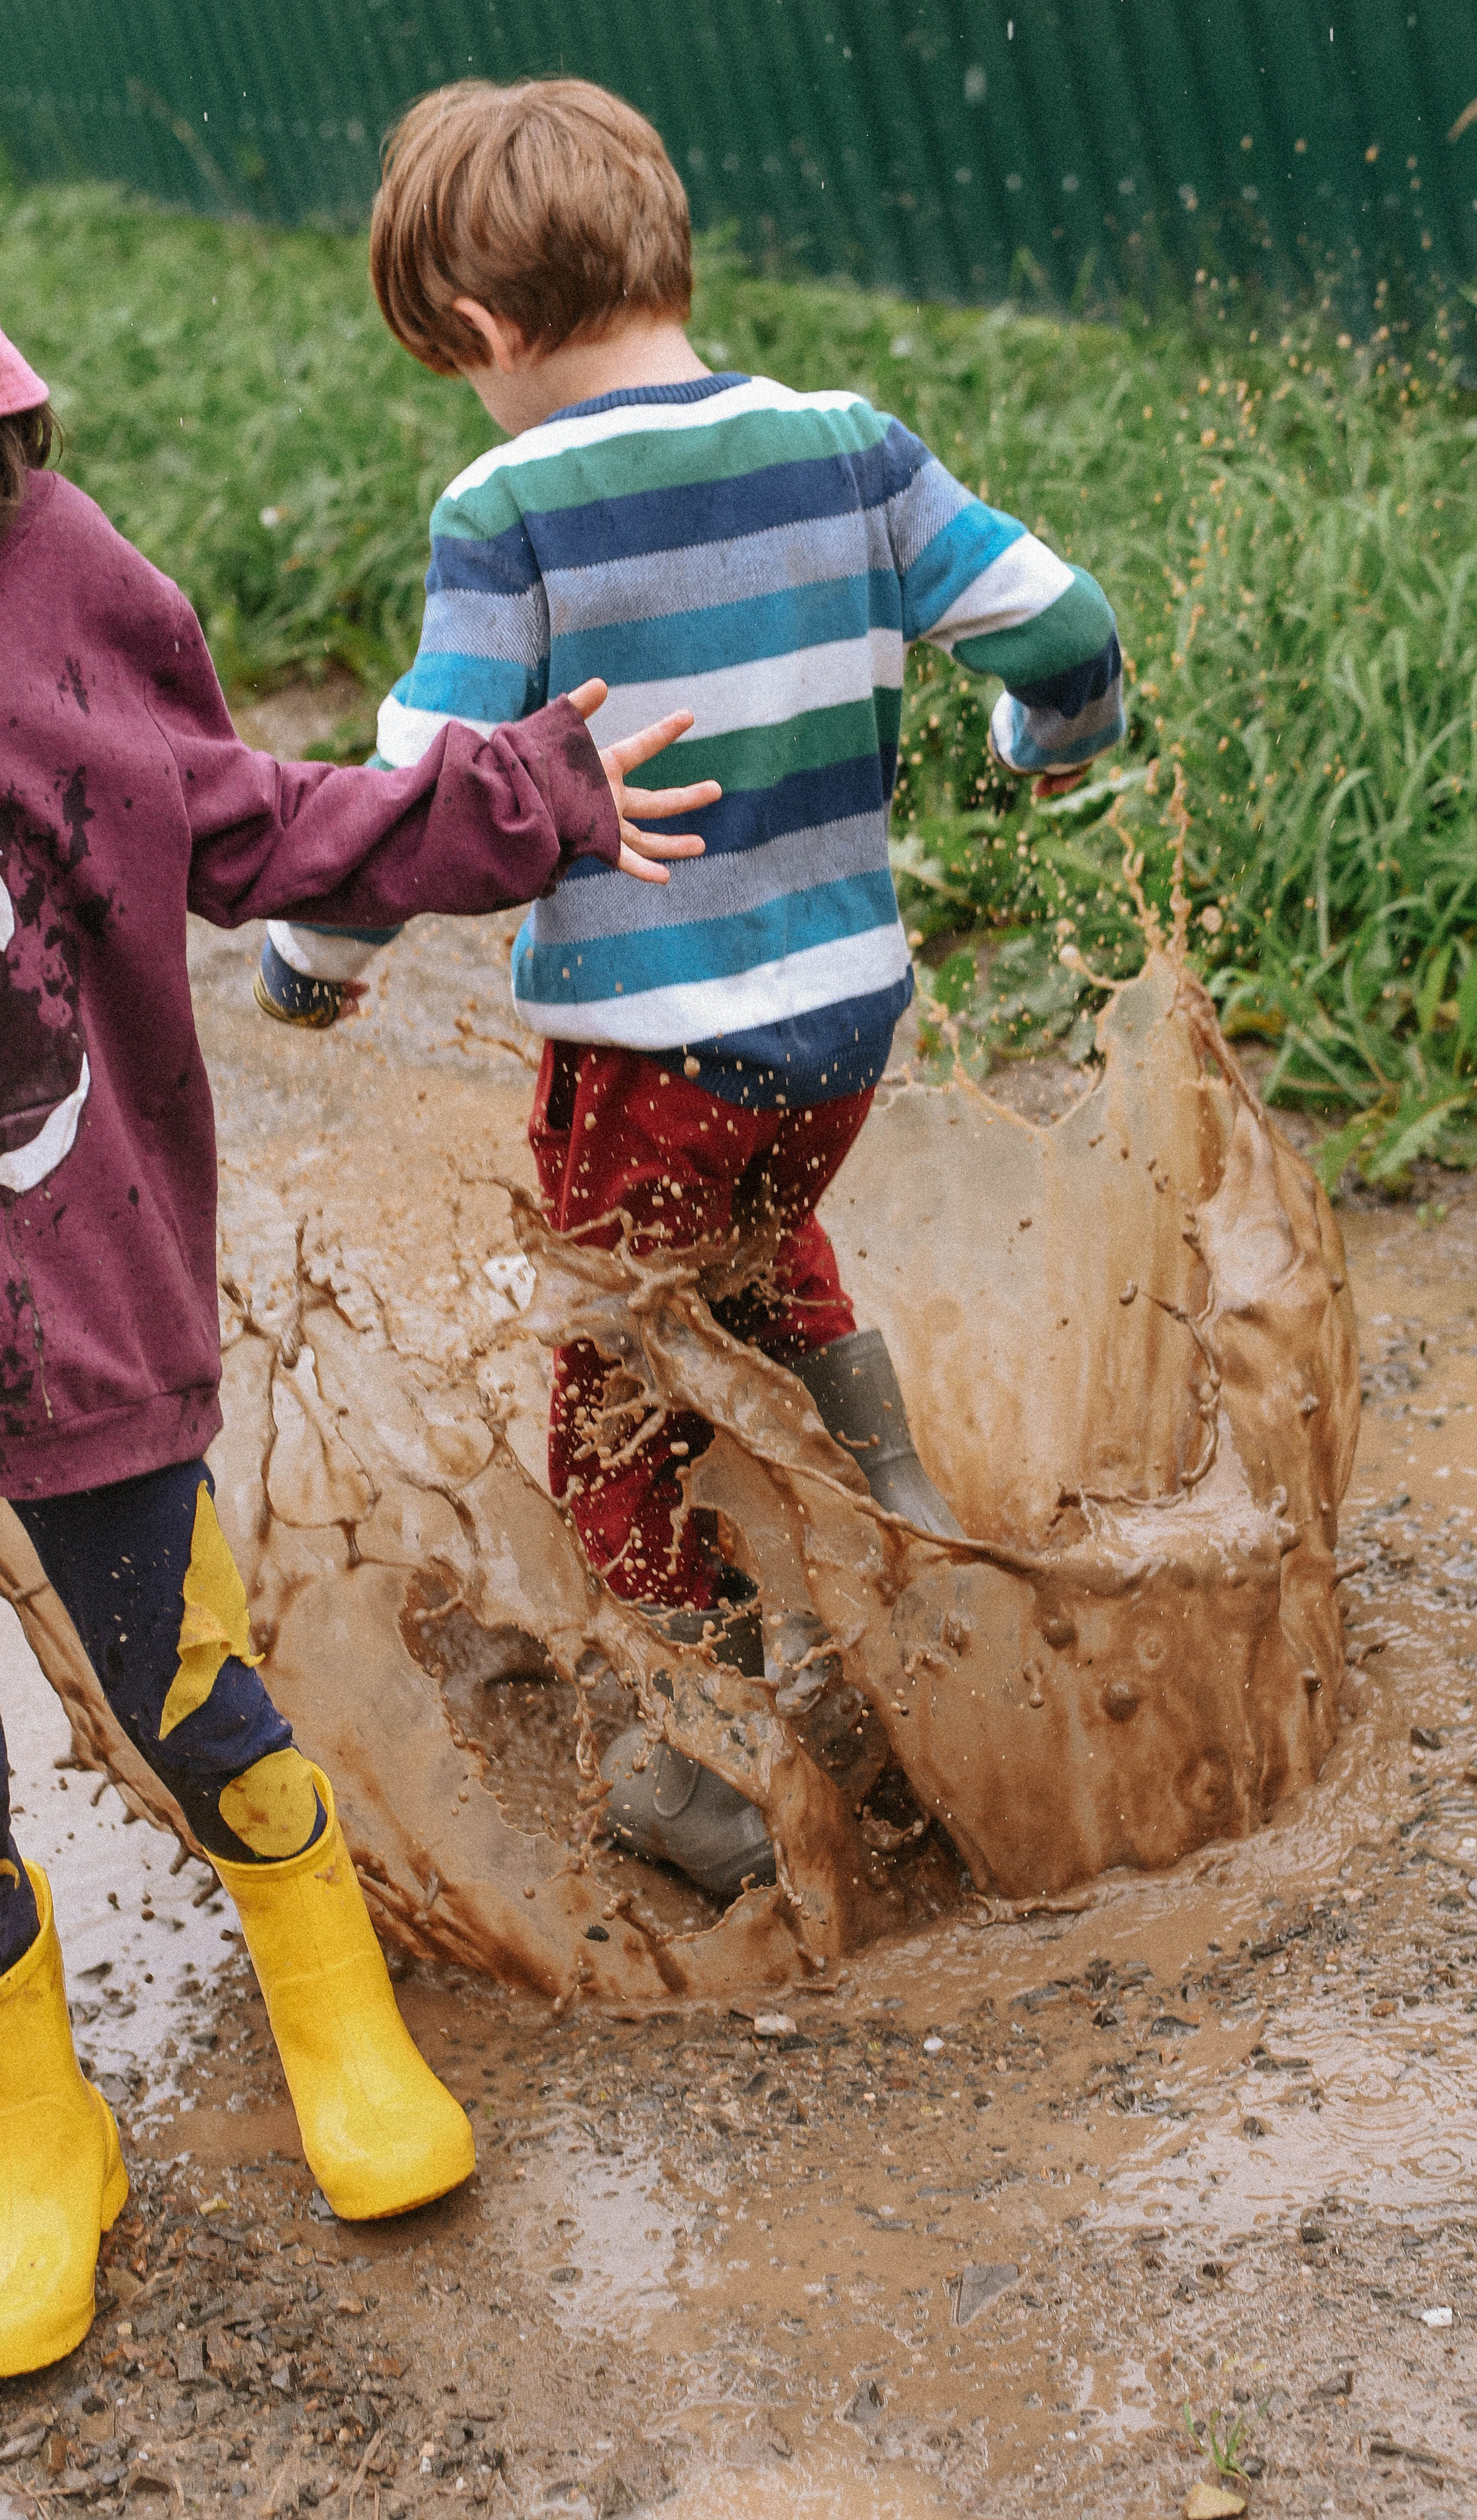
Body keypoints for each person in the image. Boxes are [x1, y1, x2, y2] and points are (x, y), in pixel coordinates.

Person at [0, 89, 718, 2380]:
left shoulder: (61, 586)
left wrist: (525, 796)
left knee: (183, 1681)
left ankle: (333, 2015)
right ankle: (35, 2130)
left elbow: (257, 823)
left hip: (63, 1293)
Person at [251, 76, 1125, 1899]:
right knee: (758, 1240)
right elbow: (1067, 631)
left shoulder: (514, 507)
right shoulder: (855, 444)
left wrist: (308, 957)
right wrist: (1047, 736)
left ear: (481, 329)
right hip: (844, 1030)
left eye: (453, 359)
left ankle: (674, 1746)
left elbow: (426, 787)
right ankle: (902, 1513)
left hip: (653, 1045)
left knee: (616, 1369)